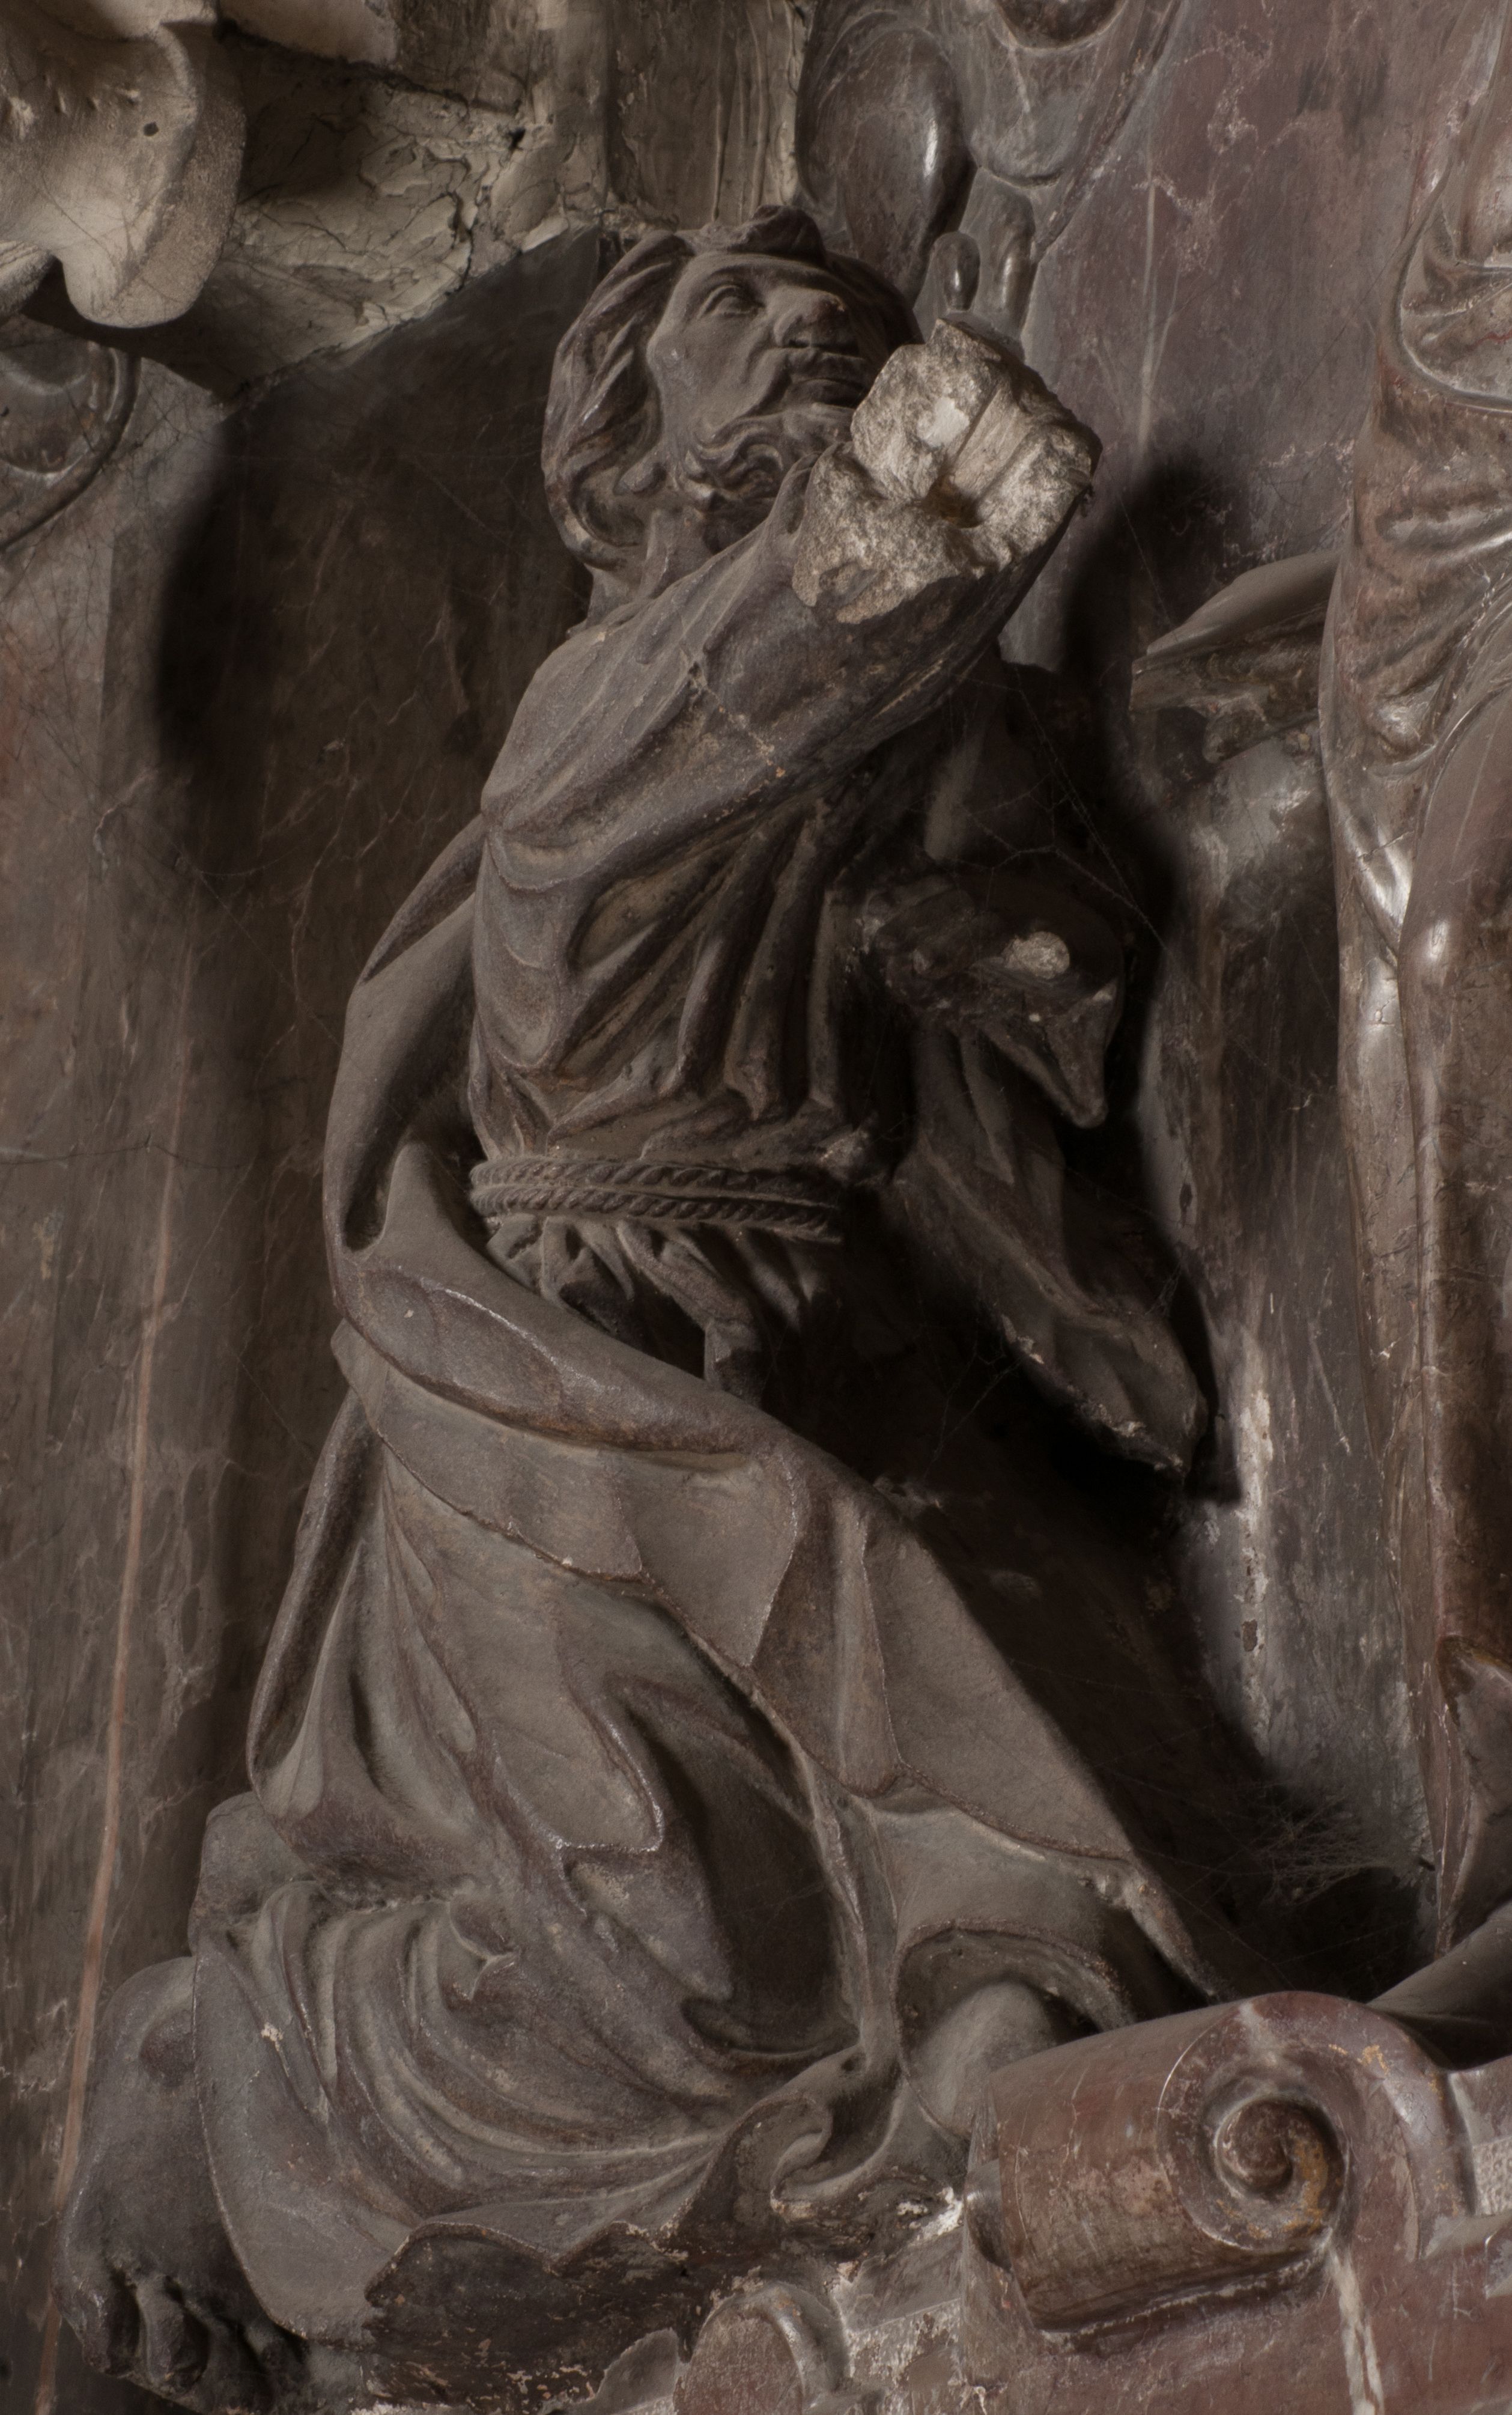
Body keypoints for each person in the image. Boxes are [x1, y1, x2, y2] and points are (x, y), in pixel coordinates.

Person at [59, 205, 1219, 2413]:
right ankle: (229, 2053)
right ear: (626, 459)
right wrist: (900, 527)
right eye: (733, 320)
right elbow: (660, 789)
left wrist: (990, 948)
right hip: (566, 1356)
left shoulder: (939, 724)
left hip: (825, 1326)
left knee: (1024, 1788)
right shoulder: (610, 695)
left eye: (828, 322)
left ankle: (981, 2007)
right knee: (684, 1956)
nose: (797, 333)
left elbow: (1056, 968)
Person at [1325, 0, 1512, 1949]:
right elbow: (1442, 405)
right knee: (1425, 997)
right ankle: (1493, 1759)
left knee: (1459, 959)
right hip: (1435, 624)